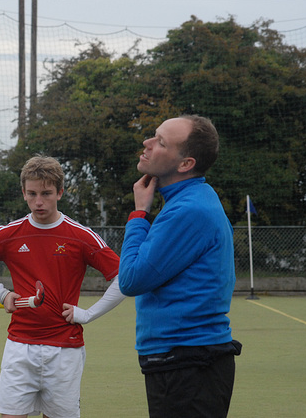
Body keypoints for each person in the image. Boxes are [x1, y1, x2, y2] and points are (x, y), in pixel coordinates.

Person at [0, 155, 126, 418]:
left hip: (66, 349)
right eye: (32, 193)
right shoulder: (10, 233)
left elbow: (124, 278)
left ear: (60, 192)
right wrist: (1, 293)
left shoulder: (80, 236)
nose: (38, 202)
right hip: (19, 346)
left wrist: (88, 314)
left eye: (46, 193)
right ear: (23, 192)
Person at [118, 115, 242, 417]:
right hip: (184, 361)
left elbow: (131, 279)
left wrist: (138, 215)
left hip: (187, 363)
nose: (146, 144)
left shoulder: (188, 210)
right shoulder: (191, 199)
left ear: (185, 163)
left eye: (160, 142)